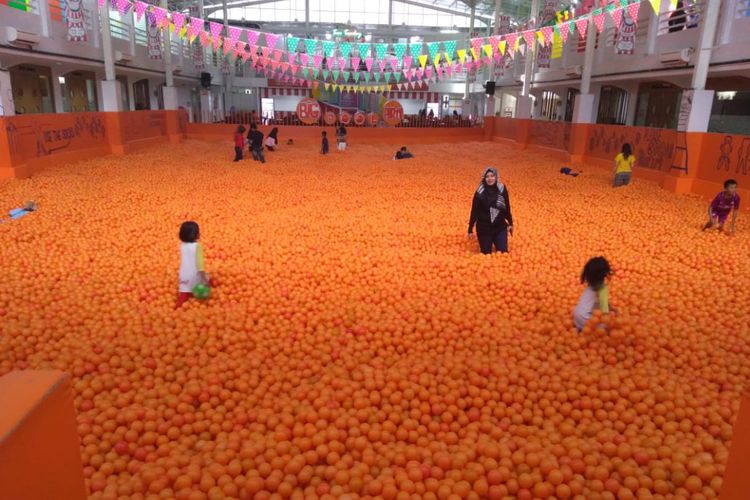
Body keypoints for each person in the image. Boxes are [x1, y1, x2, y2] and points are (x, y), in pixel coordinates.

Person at [468, 167, 513, 254]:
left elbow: (506, 206)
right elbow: (474, 211)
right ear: (484, 178)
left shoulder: (501, 188)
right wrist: (470, 229)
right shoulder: (480, 192)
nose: (490, 179)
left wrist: (510, 222)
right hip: (484, 228)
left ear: (496, 177)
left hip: (499, 226)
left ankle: (498, 239)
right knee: (486, 253)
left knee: (503, 253)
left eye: (492, 176)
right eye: (487, 176)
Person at [573, 257, 613, 332]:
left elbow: (594, 304)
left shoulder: (589, 286)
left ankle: (579, 329)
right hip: (586, 321)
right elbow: (605, 310)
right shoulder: (602, 289)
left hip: (576, 317)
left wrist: (611, 307)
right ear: (605, 274)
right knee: (608, 326)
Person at [177, 221, 211, 309]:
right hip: (194, 275)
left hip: (183, 275)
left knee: (183, 294)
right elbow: (200, 265)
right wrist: (204, 279)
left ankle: (178, 308)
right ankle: (201, 302)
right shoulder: (197, 246)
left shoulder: (182, 245)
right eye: (198, 232)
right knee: (206, 283)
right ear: (195, 234)